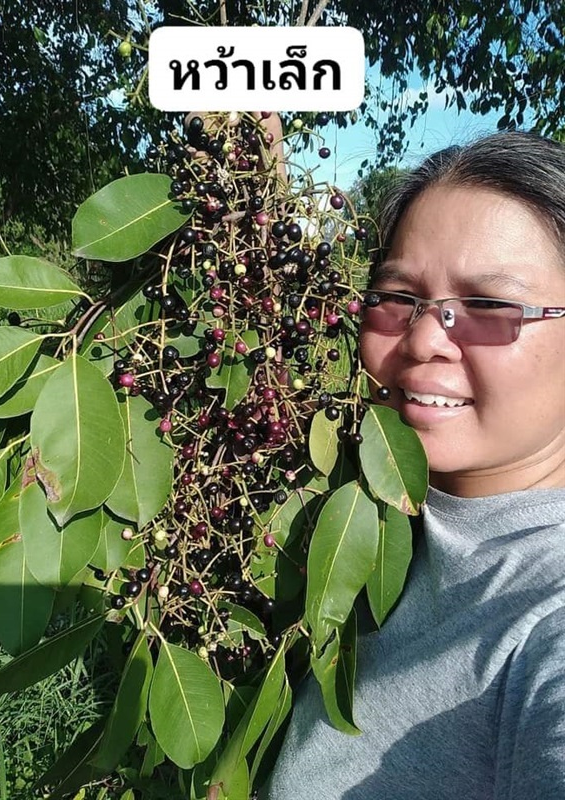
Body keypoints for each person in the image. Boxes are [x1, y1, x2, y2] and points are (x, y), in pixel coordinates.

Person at [264, 131, 565, 799]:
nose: (424, 338)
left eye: (489, 306)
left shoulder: (547, 620)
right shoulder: (351, 499)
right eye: (398, 296)